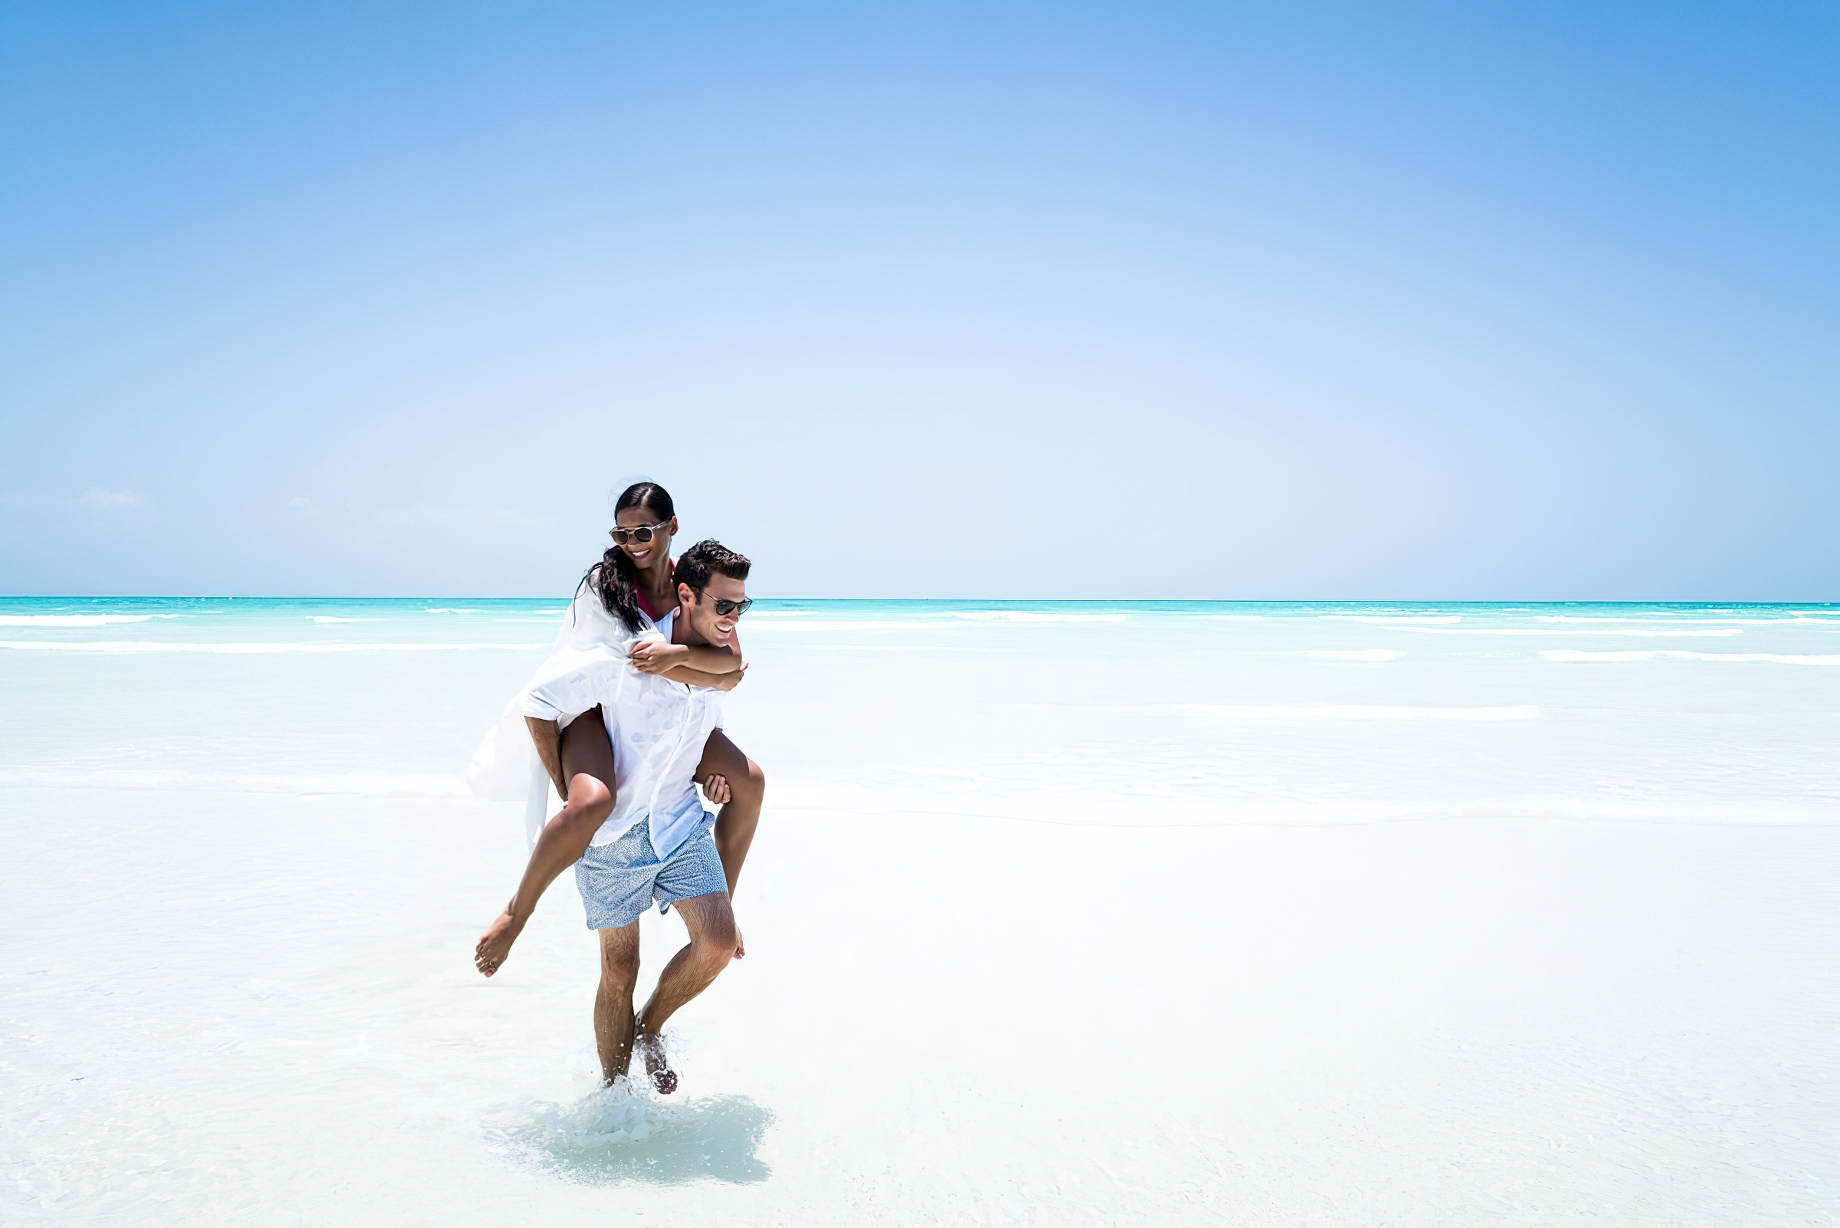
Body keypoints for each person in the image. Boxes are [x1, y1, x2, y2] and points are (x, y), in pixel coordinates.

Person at [472, 482, 765, 977]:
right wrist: (566, 785)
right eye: (622, 533)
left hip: (665, 713)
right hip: (588, 708)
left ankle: (722, 904)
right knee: (590, 804)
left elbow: (730, 663)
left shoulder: (692, 583)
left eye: (645, 530)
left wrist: (674, 659)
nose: (634, 542)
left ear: (672, 527)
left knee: (749, 780)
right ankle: (515, 913)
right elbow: (614, 669)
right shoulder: (604, 585)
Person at [512, 540, 755, 1091]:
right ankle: (615, 1097)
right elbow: (539, 702)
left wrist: (705, 774)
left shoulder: (715, 660)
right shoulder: (631, 654)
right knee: (619, 971)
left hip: (680, 825)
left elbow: (708, 712)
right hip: (615, 839)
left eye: (743, 606)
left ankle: (650, 1028)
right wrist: (570, 794)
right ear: (686, 594)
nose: (734, 618)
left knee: (717, 944)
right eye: (724, 606)